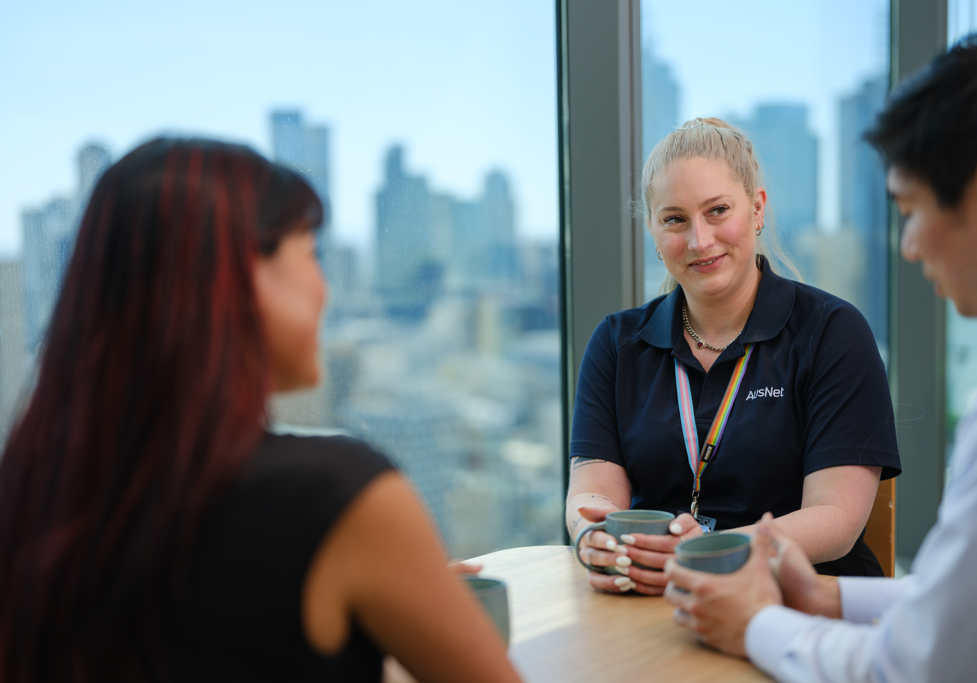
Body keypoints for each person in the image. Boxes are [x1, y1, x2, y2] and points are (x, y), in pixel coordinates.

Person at [664, 32, 977, 683]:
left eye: (910, 211)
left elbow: (923, 667)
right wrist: (828, 597)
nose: (909, 247)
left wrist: (754, 625)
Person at [0, 139, 521, 683]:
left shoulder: (35, 491)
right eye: (311, 254)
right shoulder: (336, 496)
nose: (325, 288)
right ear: (240, 276)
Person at [567, 117, 902, 595]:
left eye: (717, 210)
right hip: (658, 604)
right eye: (675, 219)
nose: (700, 240)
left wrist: (700, 552)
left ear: (758, 208)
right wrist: (593, 537)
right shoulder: (617, 344)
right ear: (654, 232)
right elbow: (592, 491)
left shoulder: (832, 331)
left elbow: (835, 520)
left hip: (800, 608)